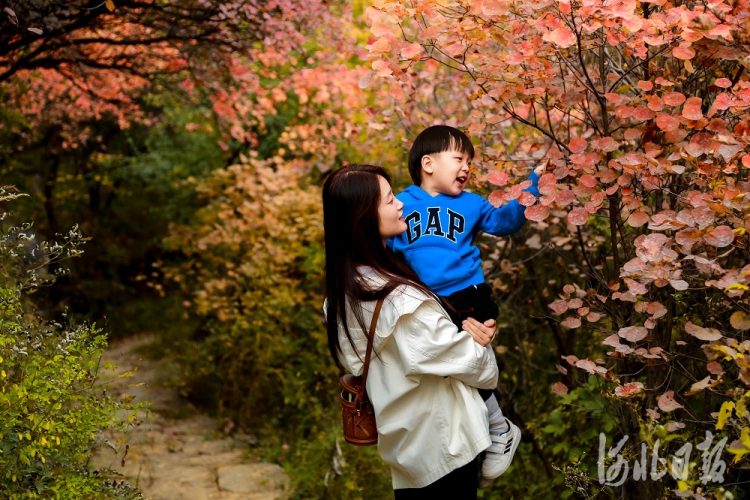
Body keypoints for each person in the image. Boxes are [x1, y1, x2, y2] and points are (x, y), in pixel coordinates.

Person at [323, 164, 499, 498]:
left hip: (404, 444)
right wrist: (481, 340)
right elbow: (475, 368)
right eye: (390, 200)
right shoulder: (400, 302)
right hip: (444, 448)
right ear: (364, 217)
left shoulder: (342, 293)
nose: (401, 204)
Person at [389, 125, 545, 487]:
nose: (467, 167)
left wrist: (537, 180)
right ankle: (472, 439)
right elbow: (384, 253)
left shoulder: (472, 203)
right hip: (426, 303)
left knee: (469, 363)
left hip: (469, 296)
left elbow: (507, 221)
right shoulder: (400, 204)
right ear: (428, 163)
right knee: (443, 373)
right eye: (459, 158)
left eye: (470, 162)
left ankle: (497, 427)